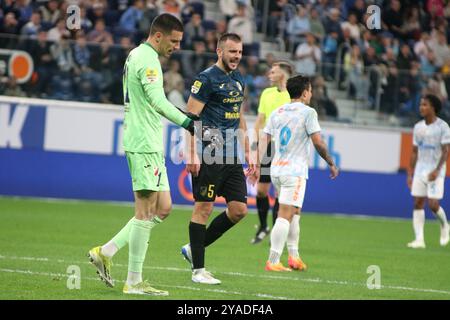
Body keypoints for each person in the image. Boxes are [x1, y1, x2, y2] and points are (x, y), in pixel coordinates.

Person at [87, 13, 198, 296]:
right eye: (173, 41)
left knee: (163, 208)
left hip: (150, 141)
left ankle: (106, 251)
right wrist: (187, 122)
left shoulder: (137, 55)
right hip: (143, 142)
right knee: (145, 211)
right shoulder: (147, 59)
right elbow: (157, 100)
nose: (177, 46)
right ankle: (134, 281)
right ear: (158, 36)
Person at [180, 33, 256, 284]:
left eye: (240, 52)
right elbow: (190, 118)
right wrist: (191, 152)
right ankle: (198, 271)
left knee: (238, 210)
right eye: (232, 51)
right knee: (204, 208)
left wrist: (248, 150)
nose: (236, 56)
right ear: (219, 51)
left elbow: (240, 116)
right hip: (209, 153)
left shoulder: (238, 79)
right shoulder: (205, 79)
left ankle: (193, 248)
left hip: (232, 155)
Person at [258, 75, 339, 271]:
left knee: (295, 212)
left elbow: (264, 139)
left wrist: (260, 164)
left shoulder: (277, 112)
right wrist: (330, 161)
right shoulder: (308, 113)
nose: (311, 94)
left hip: (277, 169)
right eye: (310, 90)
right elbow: (318, 142)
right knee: (285, 214)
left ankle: (294, 257)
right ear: (304, 93)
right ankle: (274, 260)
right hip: (293, 172)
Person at [251, 61, 293, 244]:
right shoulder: (267, 93)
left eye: (273, 71)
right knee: (261, 191)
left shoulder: (293, 95)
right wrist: (255, 144)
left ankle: (276, 231)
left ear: (283, 74)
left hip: (284, 149)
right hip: (268, 146)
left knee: (279, 192)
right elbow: (260, 120)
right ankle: (263, 226)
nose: (269, 74)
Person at [407, 94, 450, 249]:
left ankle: (445, 225)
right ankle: (419, 240)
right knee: (418, 202)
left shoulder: (443, 127)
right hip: (420, 169)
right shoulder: (418, 127)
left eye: (425, 105)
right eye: (421, 105)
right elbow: (414, 151)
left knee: (433, 204)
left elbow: (446, 151)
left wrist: (437, 170)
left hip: (435, 170)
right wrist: (409, 173)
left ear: (433, 108)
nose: (421, 107)